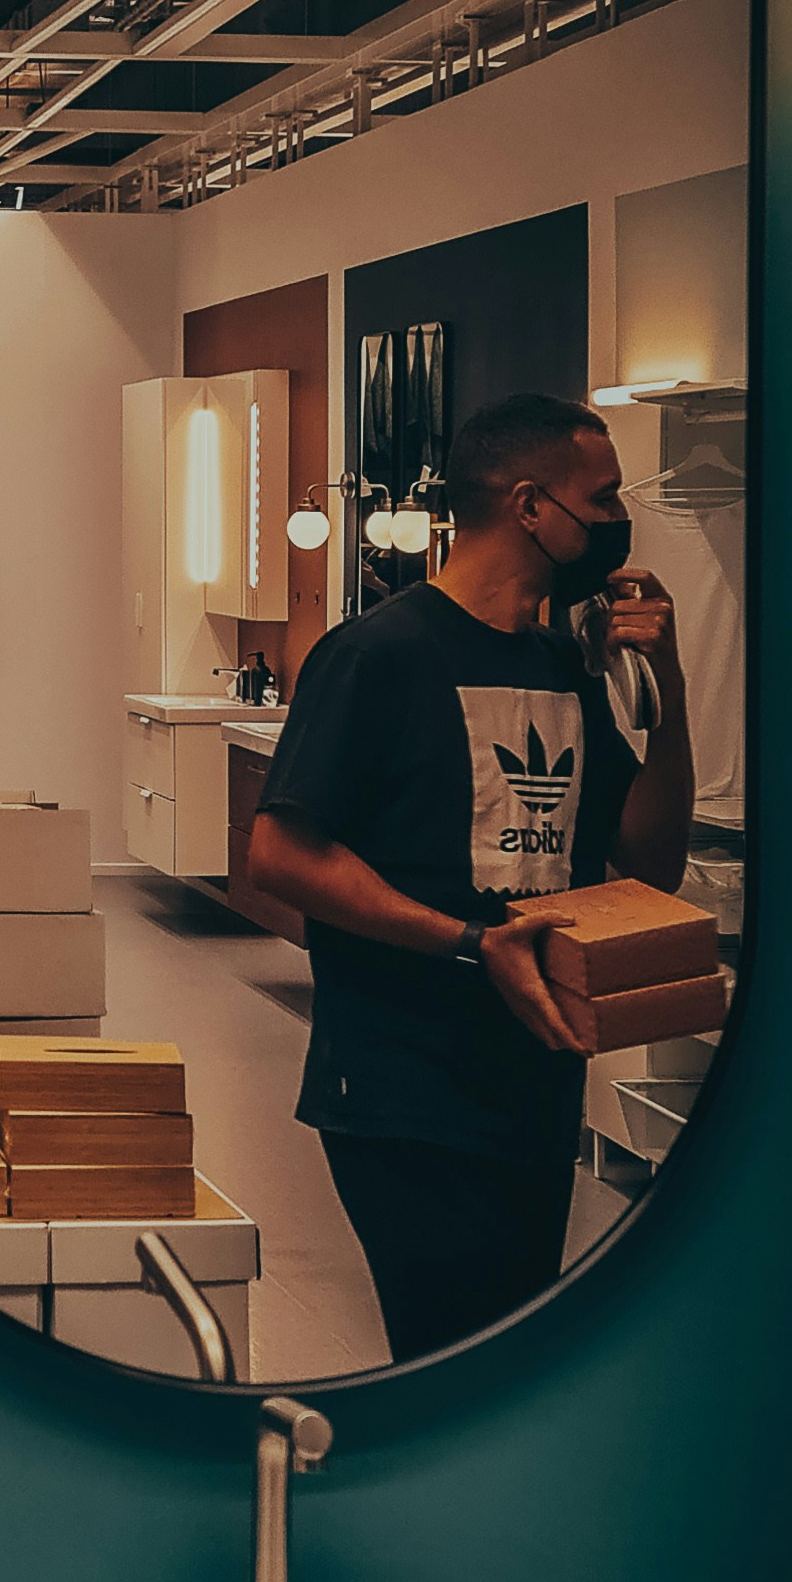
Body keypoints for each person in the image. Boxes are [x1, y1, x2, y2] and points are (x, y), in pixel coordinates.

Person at [248, 392, 693, 1366]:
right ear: (531, 506)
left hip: (533, 1080)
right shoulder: (376, 654)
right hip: (402, 1084)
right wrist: (467, 943)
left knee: (508, 1355)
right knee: (449, 1357)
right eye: (603, 494)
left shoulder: (559, 668)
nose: (616, 518)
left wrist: (666, 692)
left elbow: (647, 863)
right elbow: (278, 855)